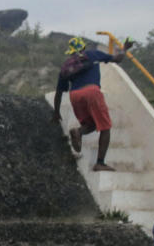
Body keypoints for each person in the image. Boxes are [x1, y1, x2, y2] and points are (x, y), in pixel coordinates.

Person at [52, 36, 132, 172]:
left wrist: (56, 112)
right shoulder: (92, 54)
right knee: (105, 127)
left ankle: (79, 131)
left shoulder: (67, 66)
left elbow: (59, 92)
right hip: (92, 92)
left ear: (71, 52)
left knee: (92, 124)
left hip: (75, 95)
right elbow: (118, 59)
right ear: (83, 47)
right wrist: (125, 48)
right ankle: (100, 162)